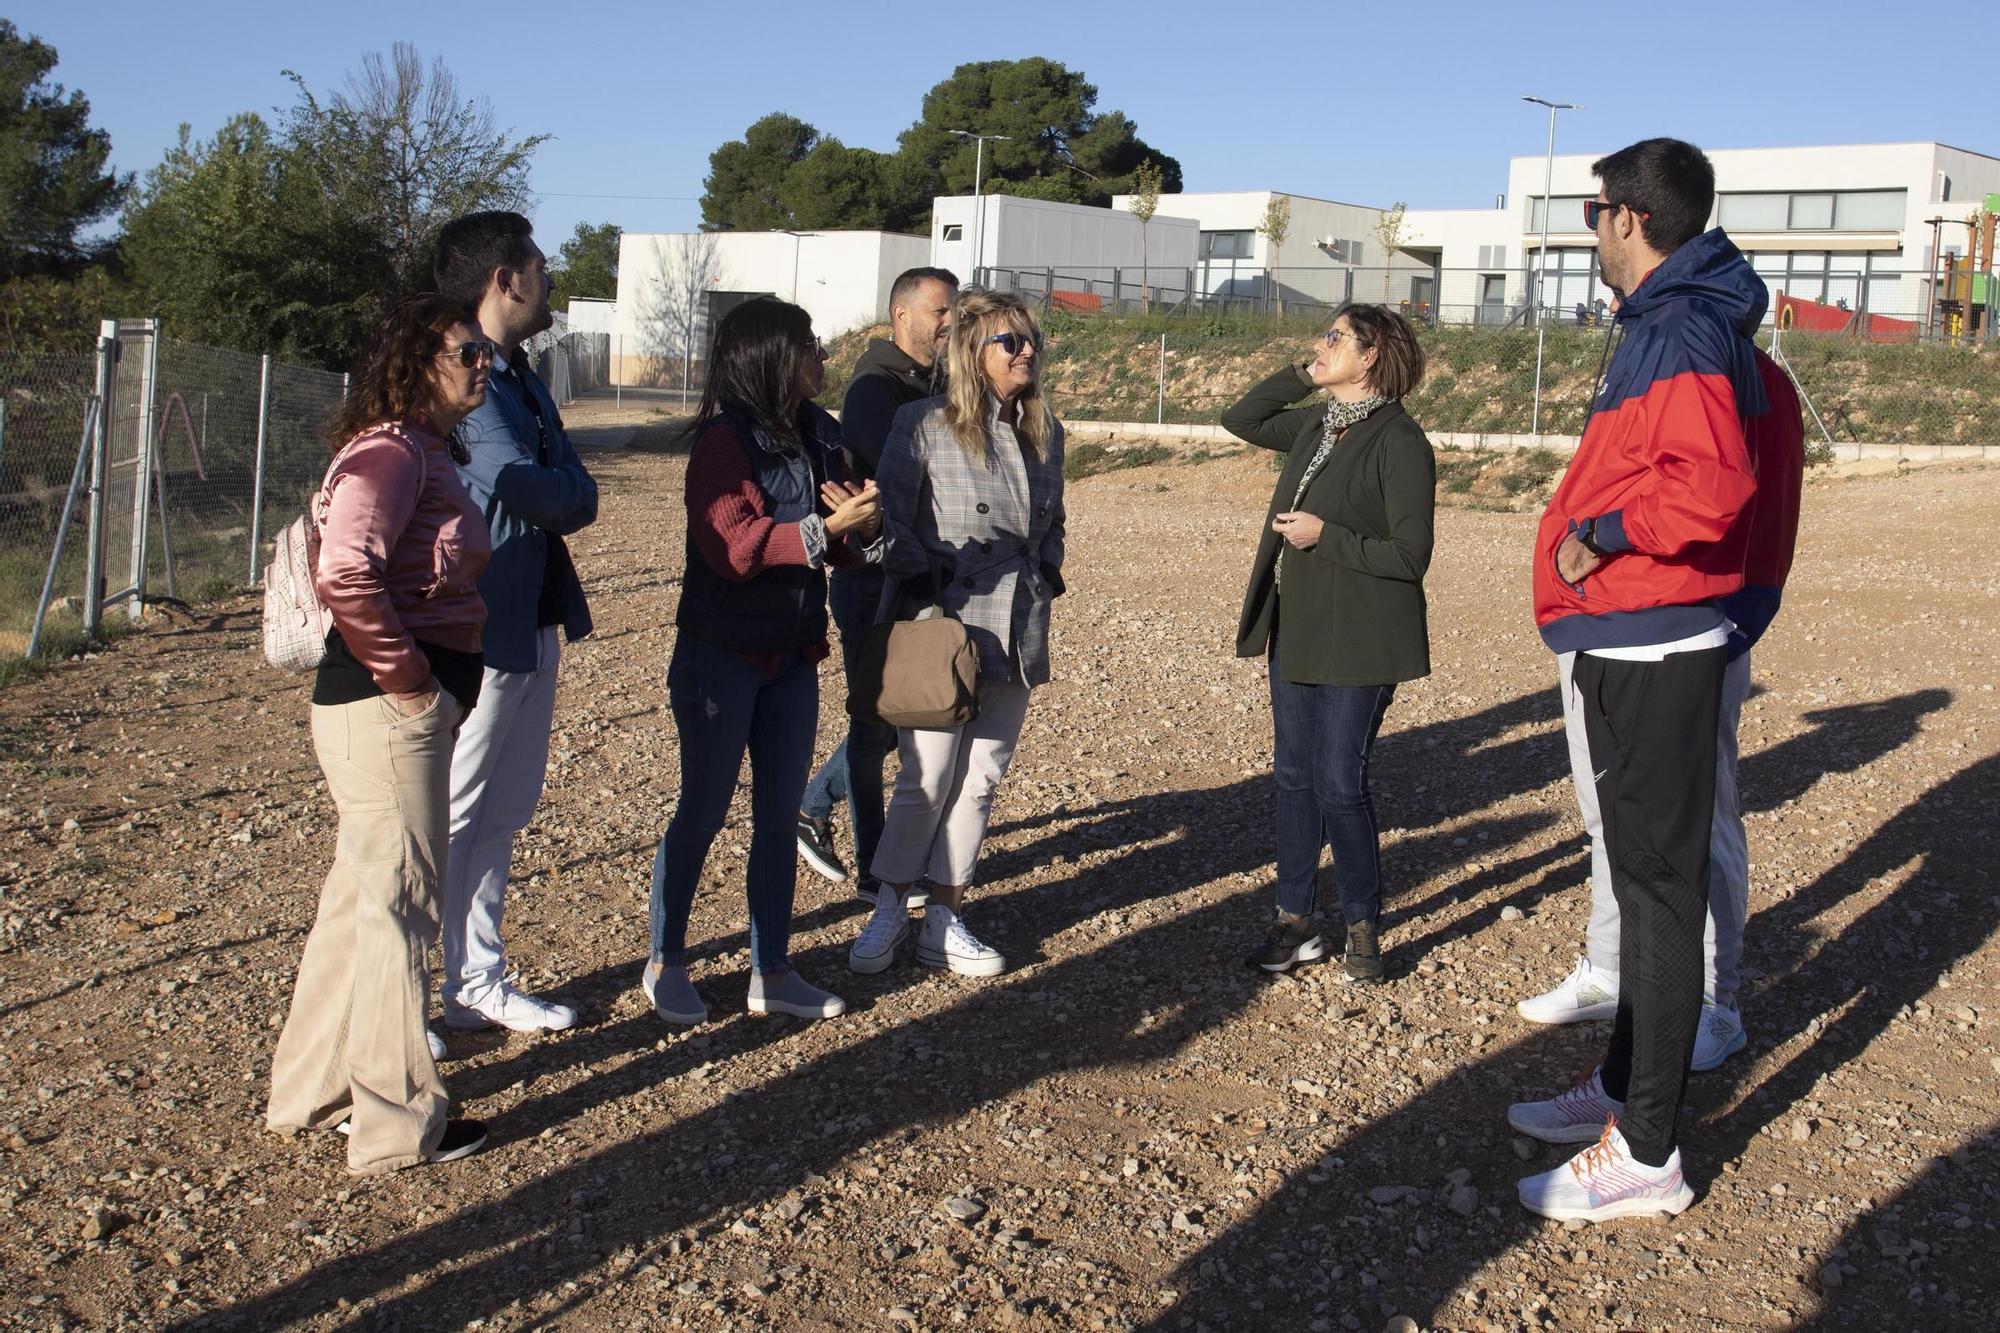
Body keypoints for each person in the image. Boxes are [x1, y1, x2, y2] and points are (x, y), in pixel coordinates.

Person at [1511, 138, 1766, 1222]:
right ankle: (1620, 1088)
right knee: (1639, 880)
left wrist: (1600, 534)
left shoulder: (1679, 323)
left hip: (1654, 636)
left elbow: (1711, 487)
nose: (1588, 233)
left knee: (1657, 899)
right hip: (1633, 634)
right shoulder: (1669, 319)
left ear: (1623, 216)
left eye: (1587, 214)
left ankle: (1647, 1153)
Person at [1517, 351, 1803, 1074]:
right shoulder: (1641, 356)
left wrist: (1740, 618)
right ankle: (1612, 966)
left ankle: (1716, 1000)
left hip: (1687, 632)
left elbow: (1760, 503)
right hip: (1601, 623)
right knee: (1605, 810)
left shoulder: (1744, 374)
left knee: (1700, 822)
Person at [265, 294, 496, 1174]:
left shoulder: (420, 450)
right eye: (465, 353)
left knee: (360, 897)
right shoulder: (391, 453)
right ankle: (398, 1126)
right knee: (400, 904)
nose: (483, 365)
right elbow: (347, 573)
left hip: (383, 708)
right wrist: (409, 685)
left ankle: (310, 1090)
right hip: (382, 709)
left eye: (483, 354)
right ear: (414, 362)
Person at [643, 298, 881, 1025]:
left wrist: (860, 524)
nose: (822, 355)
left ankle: (771, 969)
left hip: (793, 656)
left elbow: (833, 539)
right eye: (808, 344)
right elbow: (735, 548)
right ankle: (666, 960)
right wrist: (822, 527)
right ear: (770, 357)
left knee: (778, 819)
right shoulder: (723, 442)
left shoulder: (819, 432)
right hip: (719, 658)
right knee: (704, 811)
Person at [846, 289, 1066, 979]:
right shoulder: (921, 423)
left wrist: (1048, 573)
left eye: (1030, 341)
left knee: (980, 779)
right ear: (974, 353)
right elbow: (894, 523)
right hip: (944, 621)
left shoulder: (1044, 430)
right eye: (1011, 341)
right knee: (928, 774)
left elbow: (1054, 519)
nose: (1027, 351)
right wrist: (910, 572)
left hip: (1017, 617)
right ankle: (888, 904)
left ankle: (945, 914)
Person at [1221, 304, 1435, 986]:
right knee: (1293, 778)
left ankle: (1363, 925)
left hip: (1364, 635)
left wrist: (1326, 536)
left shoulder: (1400, 441)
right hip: (1300, 624)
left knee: (1341, 782)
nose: (1323, 343)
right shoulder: (1318, 422)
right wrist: (1302, 373)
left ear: (1370, 355)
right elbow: (1242, 419)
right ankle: (1295, 921)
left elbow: (1411, 554)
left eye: (1335, 337)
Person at [430, 211, 598, 1036]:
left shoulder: (521, 375)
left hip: (533, 620)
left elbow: (570, 486)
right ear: (505, 279)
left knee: (503, 810)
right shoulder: (462, 373)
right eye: (539, 264)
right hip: (476, 628)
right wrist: (565, 484)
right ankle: (414, 995)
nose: (549, 278)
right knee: (451, 813)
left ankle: (476, 980)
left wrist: (564, 483)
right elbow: (540, 489)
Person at [796, 266, 959, 901]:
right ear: (902, 316)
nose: (949, 322)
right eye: (939, 311)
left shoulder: (930, 379)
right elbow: (911, 477)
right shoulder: (875, 386)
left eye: (953, 311)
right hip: (872, 577)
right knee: (875, 724)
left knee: (906, 713)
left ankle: (820, 811)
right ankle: (871, 865)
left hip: (913, 572)